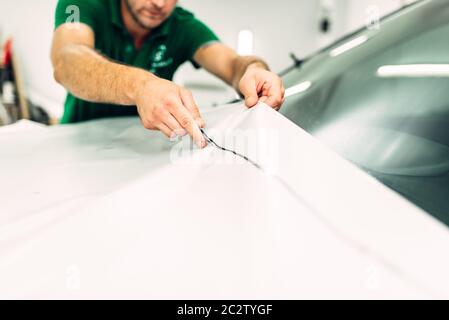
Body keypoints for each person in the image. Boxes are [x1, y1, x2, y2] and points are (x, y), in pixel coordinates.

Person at [51, 0, 285, 148]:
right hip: (78, 147)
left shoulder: (182, 25)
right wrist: (140, 86)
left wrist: (254, 69)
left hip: (140, 155)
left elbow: (233, 64)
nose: (159, 4)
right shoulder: (81, 4)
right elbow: (67, 60)